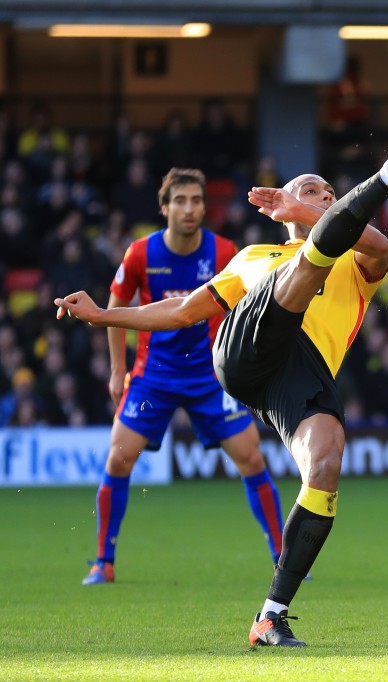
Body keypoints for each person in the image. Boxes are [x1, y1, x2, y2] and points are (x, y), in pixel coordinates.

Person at [55, 111, 388, 646]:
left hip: (297, 375)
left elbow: (382, 248)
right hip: (244, 350)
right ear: (283, 210)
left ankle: (270, 616)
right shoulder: (253, 257)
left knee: (326, 463)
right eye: (309, 192)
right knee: (307, 265)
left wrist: (312, 215)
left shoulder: (362, 256)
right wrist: (104, 316)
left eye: (326, 194)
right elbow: (181, 313)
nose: (319, 197)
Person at [82, 167, 285, 586]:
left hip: (210, 376)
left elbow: (245, 308)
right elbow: (113, 309)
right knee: (118, 459)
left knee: (251, 458)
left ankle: (283, 557)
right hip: (152, 376)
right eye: (180, 200)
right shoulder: (140, 254)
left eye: (196, 200)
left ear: (204, 207)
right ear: (164, 207)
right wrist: (118, 369)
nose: (189, 209)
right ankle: (104, 561)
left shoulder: (225, 250)